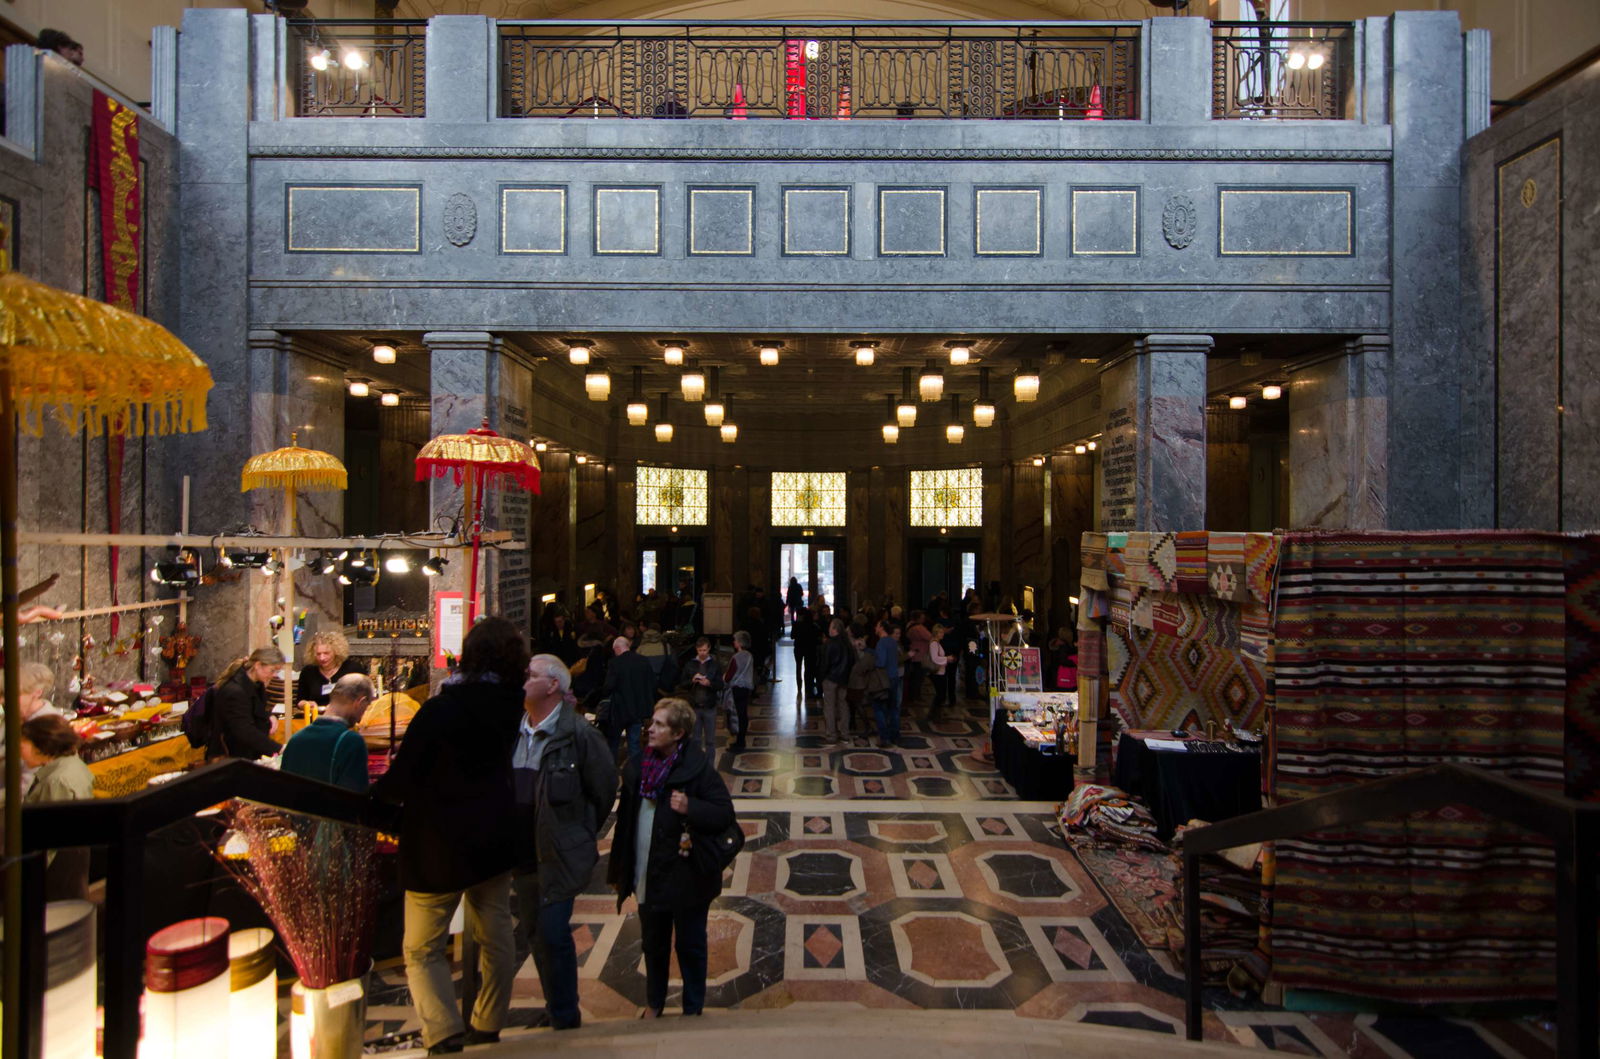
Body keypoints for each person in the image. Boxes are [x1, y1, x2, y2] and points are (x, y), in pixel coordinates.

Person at [370, 617, 529, 1055]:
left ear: (469, 655)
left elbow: (404, 776)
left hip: (438, 843)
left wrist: (377, 797)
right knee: (495, 934)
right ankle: (488, 1022)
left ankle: (442, 1032)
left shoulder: (442, 709)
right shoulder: (511, 704)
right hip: (493, 838)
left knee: (422, 947)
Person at [606, 697, 735, 1018]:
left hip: (688, 874)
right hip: (648, 872)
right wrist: (621, 870)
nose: (650, 729)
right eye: (652, 722)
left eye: (659, 724)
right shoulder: (638, 769)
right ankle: (655, 1003)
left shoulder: (697, 770)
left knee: (690, 944)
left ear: (678, 734)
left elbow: (724, 814)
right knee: (653, 943)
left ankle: (693, 1007)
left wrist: (691, 807)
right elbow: (626, 824)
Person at [513, 654, 617, 1033]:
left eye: (530, 675)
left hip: (558, 851)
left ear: (553, 685)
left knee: (553, 932)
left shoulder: (579, 735)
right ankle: (554, 1004)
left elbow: (603, 789)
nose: (522, 680)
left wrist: (578, 831)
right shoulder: (514, 730)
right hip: (521, 850)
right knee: (534, 932)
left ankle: (565, 1015)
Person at [18, 714, 93, 899]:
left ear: (42, 746)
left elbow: (49, 837)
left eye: (22, 745)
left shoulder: (57, 781)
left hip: (56, 875)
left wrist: (24, 877)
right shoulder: (71, 764)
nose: (19, 752)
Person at [280, 672, 374, 792]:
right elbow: (354, 798)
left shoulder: (295, 740)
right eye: (366, 707)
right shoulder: (351, 742)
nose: (361, 718)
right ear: (360, 702)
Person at [206, 647, 285, 761]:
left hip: (250, 753)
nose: (274, 675)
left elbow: (256, 710)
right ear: (258, 665)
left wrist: (269, 715)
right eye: (272, 670)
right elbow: (244, 730)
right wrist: (278, 749)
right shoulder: (234, 691)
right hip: (235, 757)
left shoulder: (257, 684)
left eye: (277, 671)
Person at [602, 634, 655, 764]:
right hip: (638, 709)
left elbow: (609, 686)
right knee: (634, 743)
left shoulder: (615, 663)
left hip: (619, 710)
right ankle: (635, 771)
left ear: (617, 648)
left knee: (613, 742)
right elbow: (651, 684)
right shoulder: (643, 661)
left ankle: (612, 770)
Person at [295, 629, 366, 717]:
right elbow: (300, 700)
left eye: (326, 653)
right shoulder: (308, 671)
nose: (322, 658)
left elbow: (365, 697)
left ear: (336, 652)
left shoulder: (352, 669)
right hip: (317, 718)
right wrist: (306, 704)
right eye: (318, 654)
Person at [676, 637, 722, 755]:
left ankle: (709, 765)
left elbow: (721, 685)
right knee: (695, 740)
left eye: (704, 650)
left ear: (709, 649)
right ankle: (696, 764)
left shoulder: (715, 665)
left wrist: (709, 683)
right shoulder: (690, 664)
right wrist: (692, 681)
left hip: (709, 706)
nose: (702, 653)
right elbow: (682, 684)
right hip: (695, 706)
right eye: (700, 650)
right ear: (696, 649)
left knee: (710, 741)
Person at [820, 618, 854, 746]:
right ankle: (845, 734)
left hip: (831, 678)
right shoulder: (847, 643)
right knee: (843, 705)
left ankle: (831, 734)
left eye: (830, 626)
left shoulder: (830, 644)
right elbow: (852, 661)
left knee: (829, 706)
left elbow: (825, 663)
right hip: (844, 679)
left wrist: (822, 677)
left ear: (835, 629)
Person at [873, 618, 903, 748]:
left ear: (881, 628)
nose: (875, 628)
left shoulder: (881, 642)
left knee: (879, 708)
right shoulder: (892, 641)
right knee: (893, 708)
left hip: (884, 679)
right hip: (894, 676)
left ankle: (884, 737)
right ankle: (895, 735)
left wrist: (872, 659)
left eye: (877, 625)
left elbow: (881, 662)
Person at [726, 631, 755, 753]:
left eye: (735, 640)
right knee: (743, 714)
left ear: (739, 642)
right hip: (746, 688)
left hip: (736, 688)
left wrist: (724, 678)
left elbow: (729, 675)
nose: (734, 642)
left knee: (736, 715)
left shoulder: (736, 657)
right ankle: (741, 740)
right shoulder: (749, 656)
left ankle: (739, 741)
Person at [791, 608, 819, 706]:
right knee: (808, 669)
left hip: (798, 648)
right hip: (809, 649)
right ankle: (808, 690)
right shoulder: (813, 625)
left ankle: (799, 688)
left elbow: (792, 636)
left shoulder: (796, 625)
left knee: (798, 667)